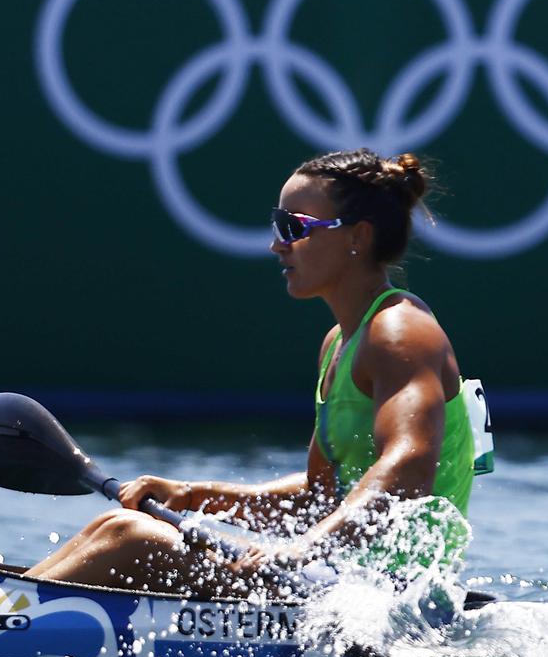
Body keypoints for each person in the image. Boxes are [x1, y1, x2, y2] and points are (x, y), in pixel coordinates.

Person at [26, 148, 476, 595]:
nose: (277, 244)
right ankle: (1, 603)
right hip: (339, 581)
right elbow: (317, 500)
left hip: (390, 597)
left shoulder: (401, 331)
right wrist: (193, 495)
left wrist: (305, 549)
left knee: (131, 538)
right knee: (119, 522)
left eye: (294, 227)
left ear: (357, 236)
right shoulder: (339, 343)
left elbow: (410, 466)